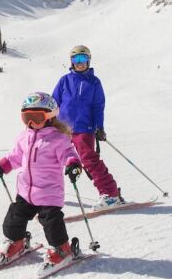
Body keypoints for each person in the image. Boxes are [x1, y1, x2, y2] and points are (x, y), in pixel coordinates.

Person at [0, 92, 83, 267]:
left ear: (49, 117)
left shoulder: (57, 138)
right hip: (26, 192)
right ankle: (16, 242)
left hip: (49, 193)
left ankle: (62, 249)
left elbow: (68, 154)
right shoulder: (23, 137)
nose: (31, 123)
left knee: (51, 222)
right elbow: (14, 157)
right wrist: (2, 166)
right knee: (14, 217)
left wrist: (73, 164)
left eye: (36, 118)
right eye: (27, 118)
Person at [52, 45, 123, 211]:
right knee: (54, 159)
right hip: (62, 128)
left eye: (83, 59)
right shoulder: (64, 80)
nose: (79, 63)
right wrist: (50, 121)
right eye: (76, 59)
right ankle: (50, 194)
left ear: (88, 60)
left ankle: (110, 194)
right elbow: (54, 103)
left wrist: (99, 127)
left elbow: (98, 106)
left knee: (89, 160)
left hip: (84, 128)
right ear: (71, 61)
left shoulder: (94, 82)